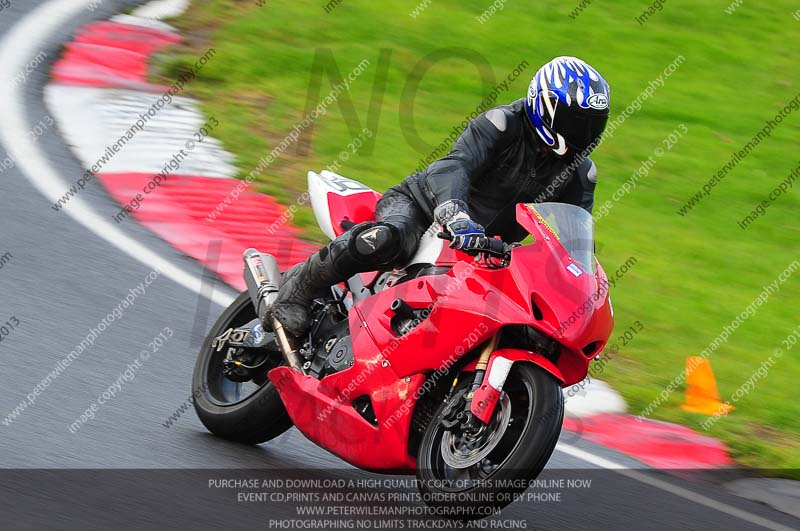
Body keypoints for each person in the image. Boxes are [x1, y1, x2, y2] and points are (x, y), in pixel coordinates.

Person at [272, 56, 611, 337]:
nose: (585, 134)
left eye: (592, 124)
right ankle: (296, 290)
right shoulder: (502, 124)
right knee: (385, 240)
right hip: (423, 208)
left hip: (485, 250)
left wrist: (578, 282)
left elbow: (575, 240)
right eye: (577, 122)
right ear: (546, 107)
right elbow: (453, 167)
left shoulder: (580, 172)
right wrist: (455, 214)